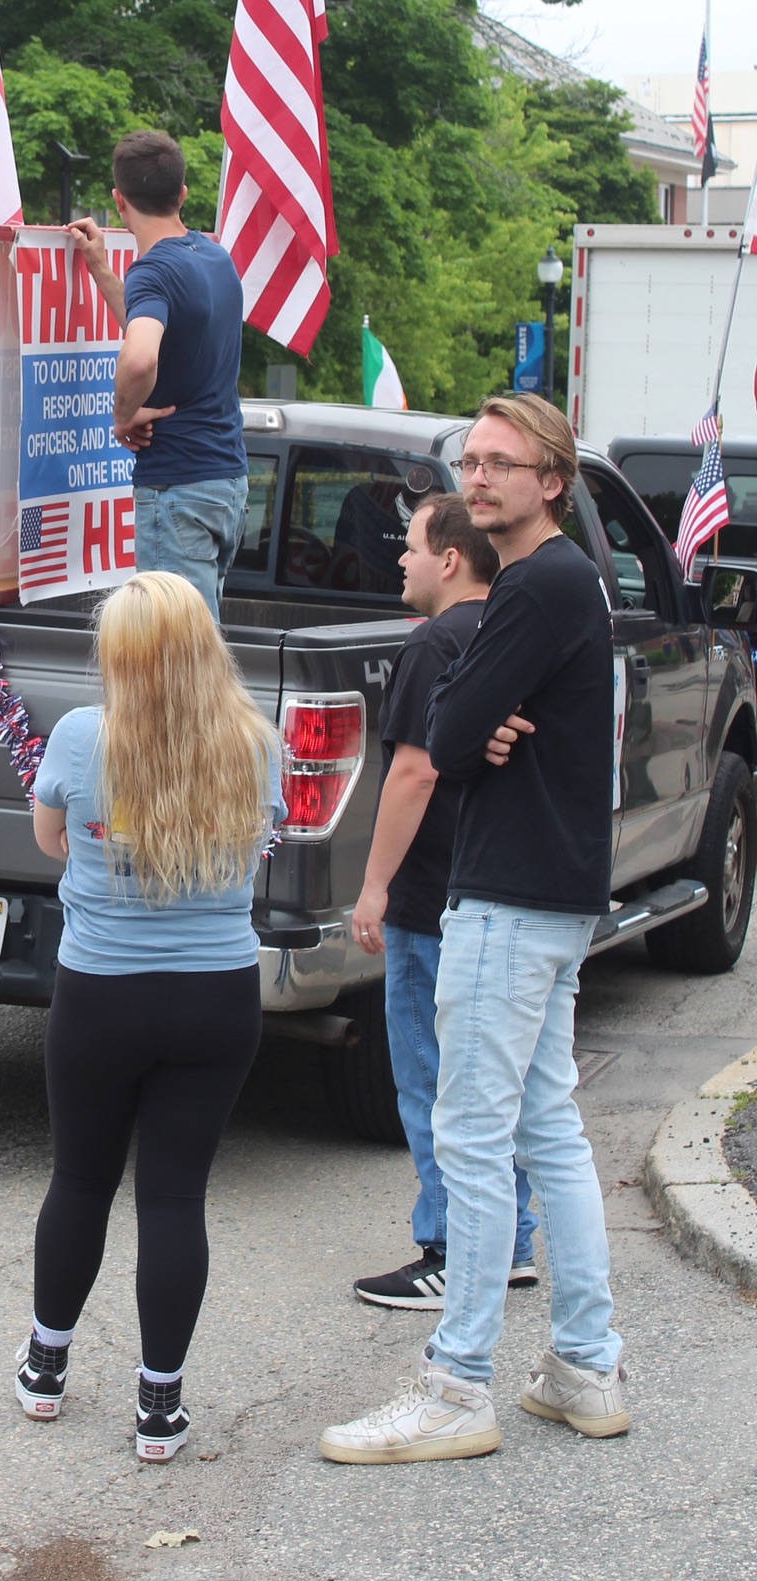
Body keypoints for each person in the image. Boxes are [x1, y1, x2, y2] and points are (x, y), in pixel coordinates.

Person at [321, 395, 626, 1464]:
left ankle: (456, 1384)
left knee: (476, 1139)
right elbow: (465, 725)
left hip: (507, 897)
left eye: (506, 463)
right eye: (475, 461)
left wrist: (473, 723)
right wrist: (475, 722)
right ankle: (586, 1365)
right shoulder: (566, 585)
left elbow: (444, 733)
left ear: (554, 480)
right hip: (553, 892)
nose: (482, 477)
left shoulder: (538, 586)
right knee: (547, 1131)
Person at [18, 569, 283, 1461]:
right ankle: (159, 1407)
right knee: (175, 1196)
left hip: (102, 991)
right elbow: (265, 840)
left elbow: (48, 836)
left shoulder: (83, 734)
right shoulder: (254, 742)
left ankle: (47, 1367)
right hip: (216, 994)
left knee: (81, 1181)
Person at [348, 491, 540, 1311]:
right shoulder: (506, 634)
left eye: (413, 546)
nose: (400, 559)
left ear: (450, 559)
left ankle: (449, 1248)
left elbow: (416, 771)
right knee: (499, 1087)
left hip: (431, 904)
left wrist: (374, 886)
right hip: (498, 892)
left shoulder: (432, 643)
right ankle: (513, 1241)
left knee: (431, 1083)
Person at [69, 131, 247, 614]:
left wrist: (122, 415)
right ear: (182, 194)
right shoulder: (216, 258)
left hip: (177, 489)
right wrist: (103, 270)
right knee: (200, 650)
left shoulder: (153, 270)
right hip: (226, 482)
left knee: (178, 660)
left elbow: (142, 354)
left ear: (118, 200)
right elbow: (154, 326)